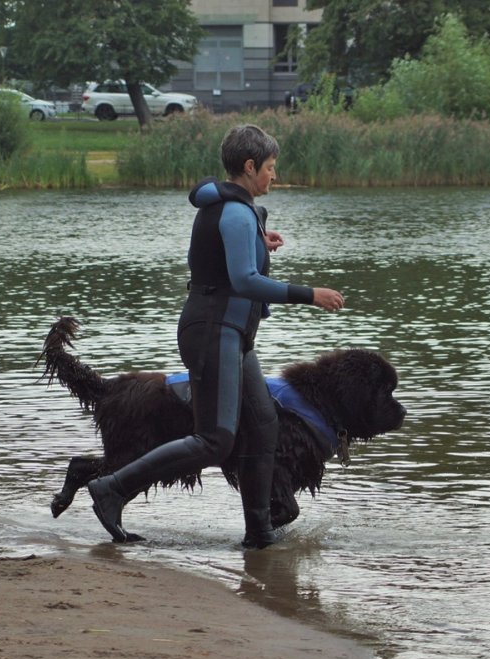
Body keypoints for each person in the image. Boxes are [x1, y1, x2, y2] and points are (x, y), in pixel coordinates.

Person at [87, 124, 344, 548]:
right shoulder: (235, 212)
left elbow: (233, 260)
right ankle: (112, 489)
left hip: (233, 336)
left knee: (263, 427)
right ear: (249, 166)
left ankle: (258, 530)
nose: (274, 176)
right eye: (270, 168)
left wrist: (261, 244)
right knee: (215, 439)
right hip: (213, 332)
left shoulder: (235, 211)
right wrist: (308, 295)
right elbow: (243, 281)